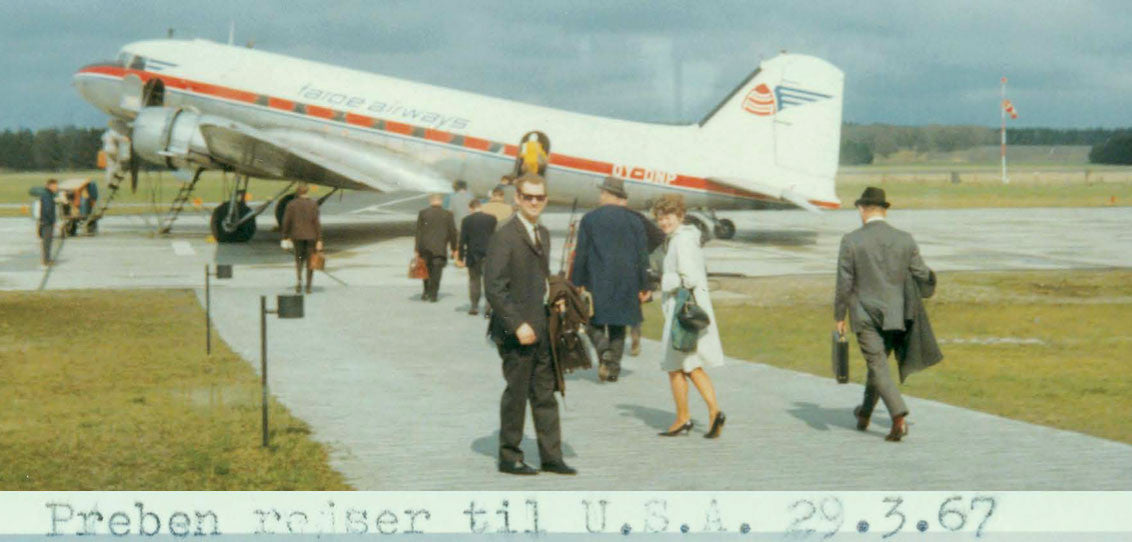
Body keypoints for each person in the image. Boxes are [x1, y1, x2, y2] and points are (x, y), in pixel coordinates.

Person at [484, 173, 575, 476]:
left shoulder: (543, 233)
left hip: (543, 327)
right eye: (529, 197)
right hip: (516, 332)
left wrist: (555, 296)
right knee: (517, 393)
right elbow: (494, 288)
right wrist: (517, 324)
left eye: (540, 197)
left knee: (545, 394)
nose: (535, 202)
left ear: (545, 200)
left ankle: (551, 456)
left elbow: (537, 278)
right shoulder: (504, 235)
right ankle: (509, 456)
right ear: (518, 199)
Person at [835, 186, 937, 442]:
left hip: (865, 315)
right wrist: (931, 283)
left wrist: (839, 317)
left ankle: (898, 417)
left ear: (861, 209)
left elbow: (844, 284)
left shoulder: (851, 240)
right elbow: (922, 273)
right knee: (877, 366)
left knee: (877, 365)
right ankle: (865, 413)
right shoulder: (905, 238)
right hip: (896, 315)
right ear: (884, 210)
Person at [654, 195, 726, 439]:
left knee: (675, 366)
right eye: (660, 218)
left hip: (681, 312)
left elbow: (689, 278)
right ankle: (714, 412)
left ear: (680, 216)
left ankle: (683, 418)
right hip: (689, 308)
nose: (664, 222)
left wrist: (663, 280)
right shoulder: (686, 237)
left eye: (668, 217)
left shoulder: (680, 242)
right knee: (691, 365)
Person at [569, 177, 649, 382]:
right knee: (618, 327)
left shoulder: (590, 219)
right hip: (627, 283)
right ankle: (612, 370)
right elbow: (642, 256)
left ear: (606, 194)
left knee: (592, 322)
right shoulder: (635, 220)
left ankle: (604, 350)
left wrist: (575, 282)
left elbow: (582, 254)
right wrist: (644, 285)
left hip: (597, 281)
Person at [280, 183, 323, 294]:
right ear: (307, 191)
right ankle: (308, 287)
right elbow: (317, 223)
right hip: (311, 237)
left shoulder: (291, 204)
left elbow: (286, 222)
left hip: (297, 236)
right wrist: (319, 239)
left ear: (297, 192)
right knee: (310, 262)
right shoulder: (313, 204)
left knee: (299, 259)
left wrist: (285, 236)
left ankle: (299, 281)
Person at [414, 193, 458, 302]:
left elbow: (418, 232)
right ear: (441, 201)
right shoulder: (447, 214)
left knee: (426, 270)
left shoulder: (423, 213)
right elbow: (453, 232)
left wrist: (417, 248)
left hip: (424, 247)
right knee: (437, 272)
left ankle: (426, 291)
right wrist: (454, 247)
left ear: (430, 201)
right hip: (440, 247)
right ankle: (434, 294)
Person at [458, 198, 497, 315]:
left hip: (473, 255)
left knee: (474, 281)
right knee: (489, 281)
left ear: (471, 208)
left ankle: (474, 306)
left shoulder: (466, 220)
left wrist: (460, 257)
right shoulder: (491, 219)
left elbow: (462, 240)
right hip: (489, 254)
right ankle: (489, 307)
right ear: (481, 206)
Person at [36, 178, 59, 266]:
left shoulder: (49, 194)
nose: (56, 188)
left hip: (46, 221)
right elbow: (47, 209)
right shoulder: (47, 195)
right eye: (55, 186)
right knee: (47, 242)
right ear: (50, 186)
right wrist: (52, 220)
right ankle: (46, 260)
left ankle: (48, 259)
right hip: (47, 222)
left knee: (48, 241)